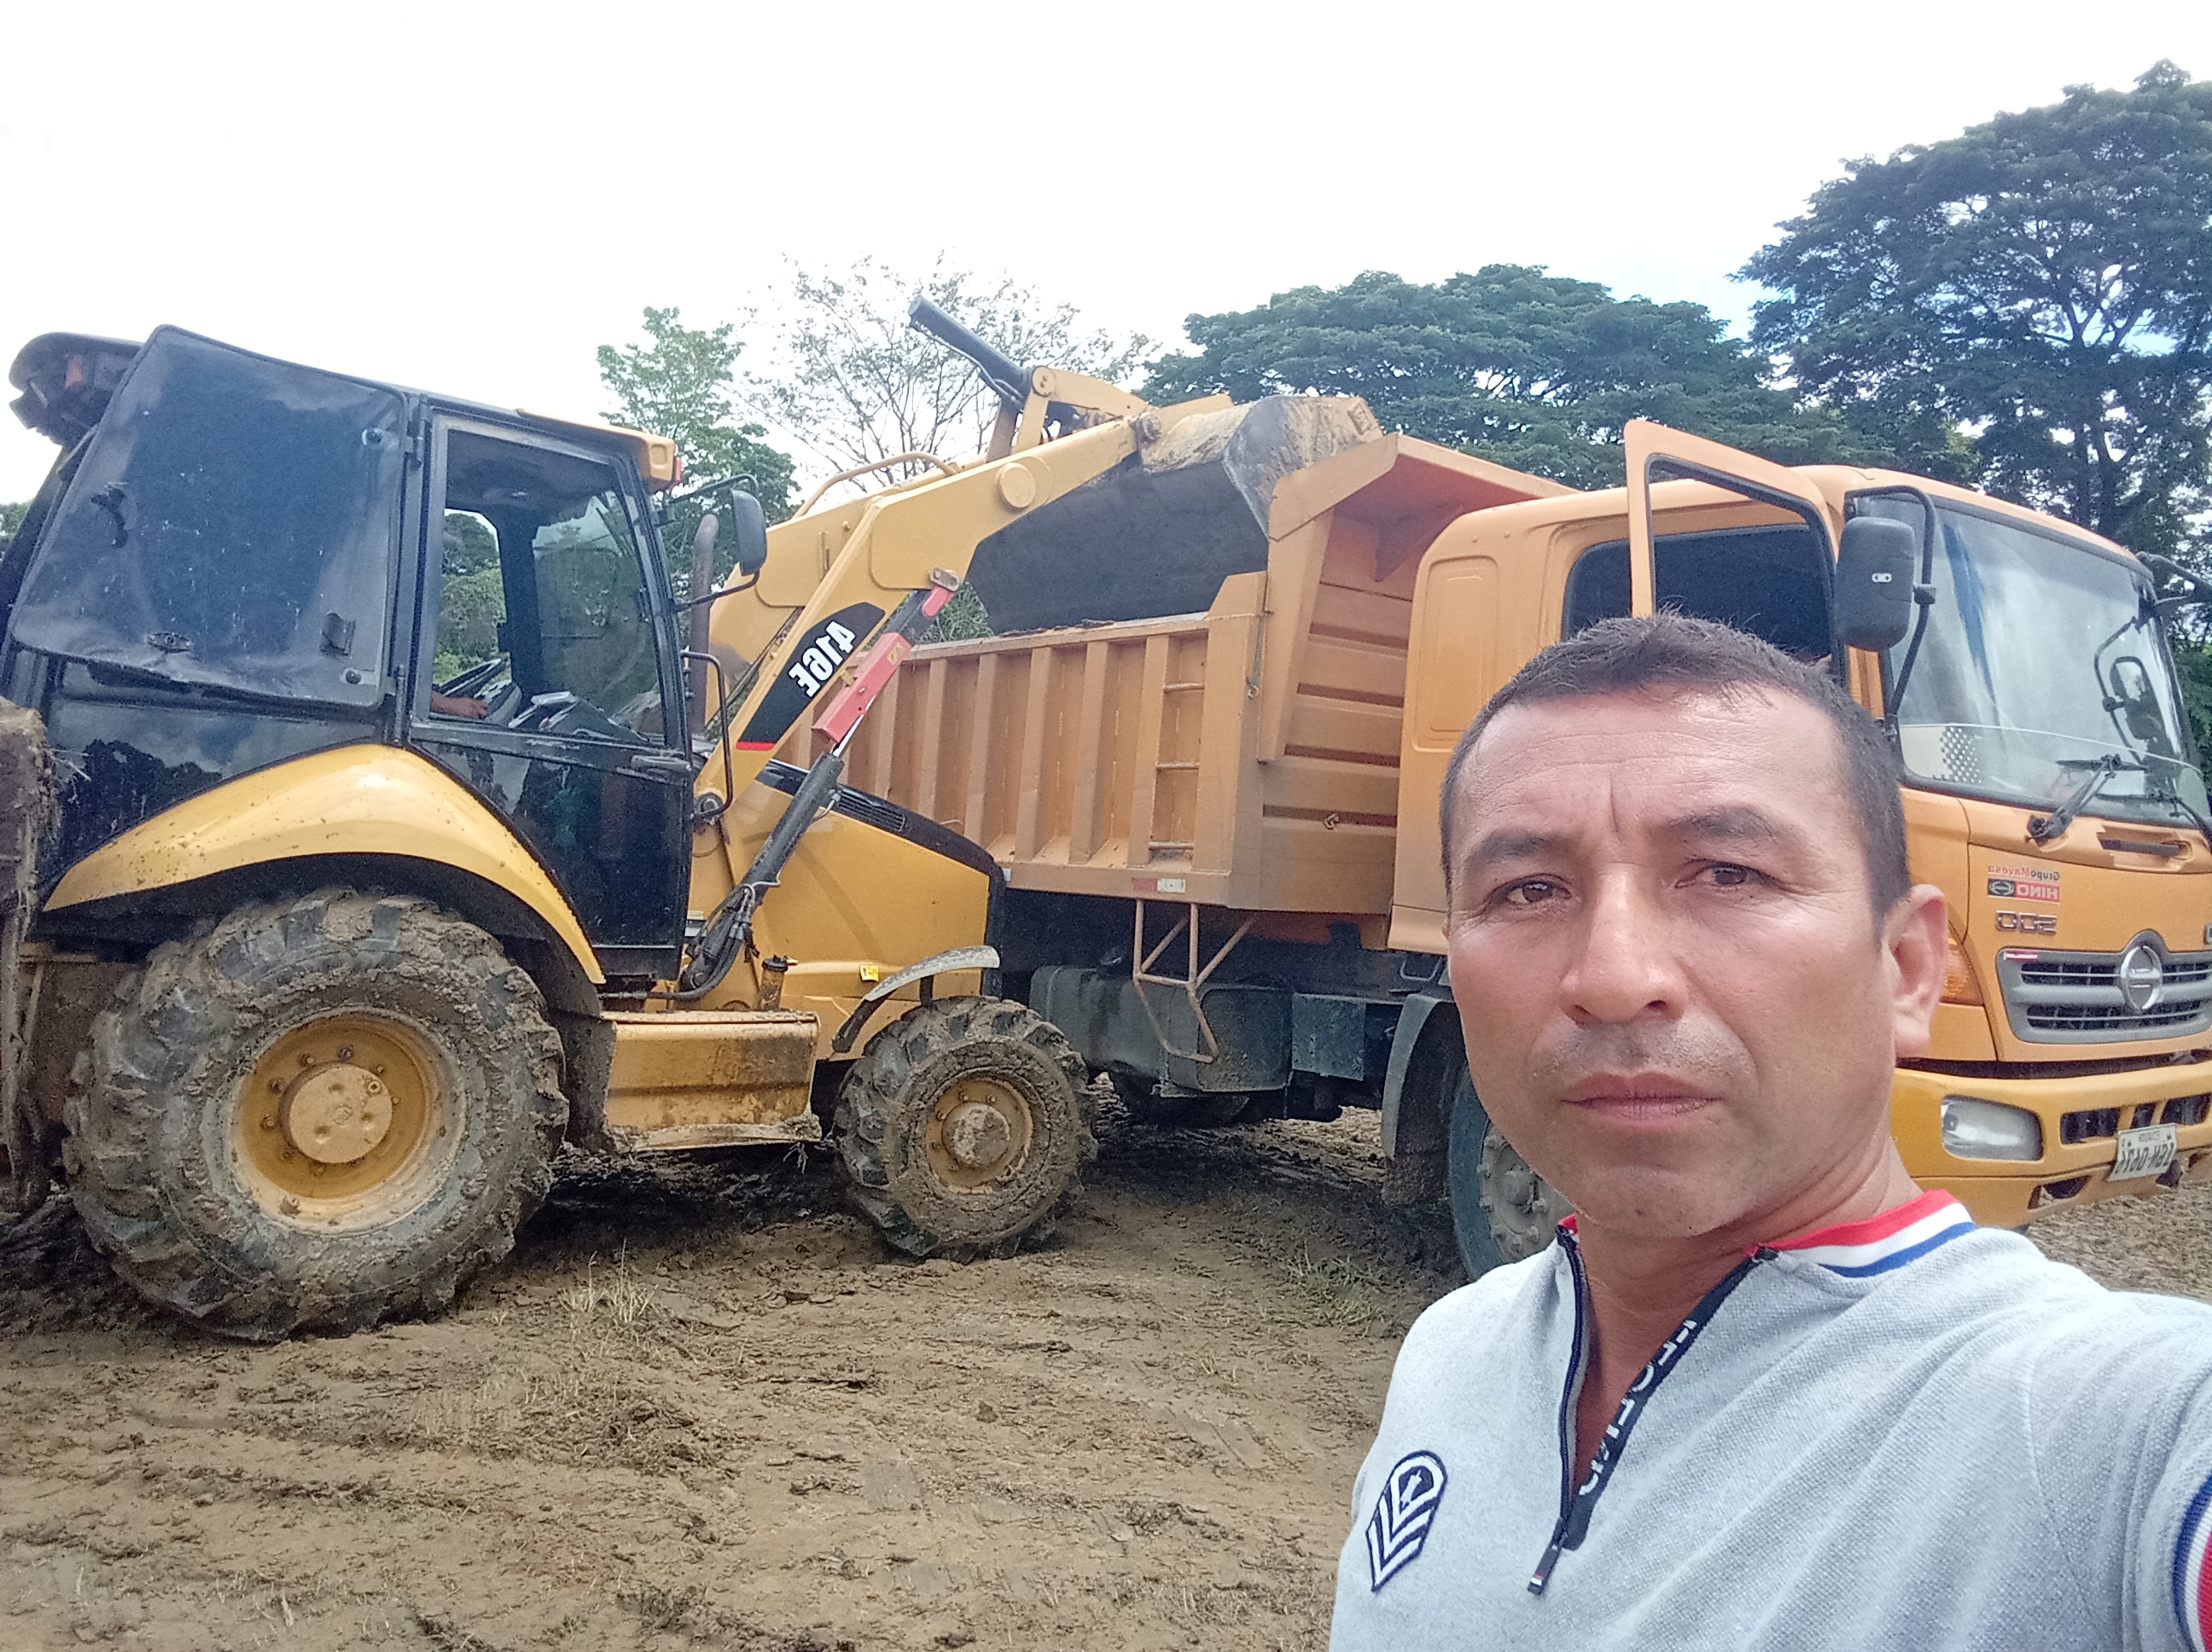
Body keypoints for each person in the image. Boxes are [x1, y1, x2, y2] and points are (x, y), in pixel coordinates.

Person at [1330, 614, 2212, 1650]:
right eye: (1529, 890)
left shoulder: (2111, 1435)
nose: (1613, 976)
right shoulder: (1451, 1352)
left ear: (1907, 970)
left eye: (1728, 873)